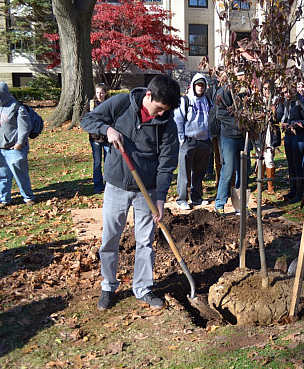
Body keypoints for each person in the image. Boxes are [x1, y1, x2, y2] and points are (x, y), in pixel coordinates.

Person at [81, 75, 180, 310]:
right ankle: (108, 285)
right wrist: (108, 130)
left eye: (165, 111)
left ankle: (143, 288)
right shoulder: (122, 104)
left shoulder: (167, 124)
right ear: (148, 95)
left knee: (145, 241)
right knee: (110, 238)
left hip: (147, 189)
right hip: (116, 184)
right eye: (158, 108)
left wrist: (160, 198)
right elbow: (87, 120)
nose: (160, 114)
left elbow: (167, 163)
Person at [0, 81, 35, 208]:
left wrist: (20, 143)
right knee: (1, 175)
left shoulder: (17, 107)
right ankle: (5, 199)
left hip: (14, 149)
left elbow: (25, 127)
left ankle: (28, 197)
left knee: (21, 175)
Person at [174, 74, 212, 209]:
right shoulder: (185, 100)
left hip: (204, 141)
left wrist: (210, 137)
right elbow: (178, 119)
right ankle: (181, 199)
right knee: (184, 172)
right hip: (188, 141)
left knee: (199, 172)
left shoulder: (208, 101)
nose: (200, 88)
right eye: (198, 85)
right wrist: (181, 138)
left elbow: (211, 119)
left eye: (202, 85)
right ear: (193, 85)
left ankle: (196, 196)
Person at [214, 70, 249, 215]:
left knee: (244, 171)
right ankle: (220, 204)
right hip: (228, 137)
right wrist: (239, 124)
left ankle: (241, 204)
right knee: (228, 171)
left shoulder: (247, 92)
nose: (243, 77)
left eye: (244, 74)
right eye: (240, 75)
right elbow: (220, 114)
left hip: (243, 137)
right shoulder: (224, 92)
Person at [278, 81, 304, 203]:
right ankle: (293, 189)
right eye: (284, 92)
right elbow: (282, 117)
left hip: (298, 136)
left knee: (297, 165)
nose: (286, 94)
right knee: (290, 164)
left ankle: (300, 193)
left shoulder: (299, 102)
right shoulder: (284, 103)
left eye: (288, 92)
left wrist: (295, 124)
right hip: (288, 135)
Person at [81, 83, 110, 193]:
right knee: (97, 163)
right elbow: (83, 119)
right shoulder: (91, 104)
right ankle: (98, 187)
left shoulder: (109, 103)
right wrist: (92, 129)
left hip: (108, 138)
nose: (99, 95)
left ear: (106, 93)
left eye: (101, 93)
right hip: (95, 138)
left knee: (108, 163)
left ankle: (108, 186)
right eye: (97, 92)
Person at [261, 80, 282, 195]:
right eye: (265, 88)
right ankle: (261, 184)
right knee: (260, 159)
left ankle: (270, 185)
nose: (267, 91)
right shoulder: (258, 101)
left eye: (269, 89)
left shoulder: (277, 101)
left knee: (269, 159)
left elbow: (278, 116)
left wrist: (271, 113)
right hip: (260, 134)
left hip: (271, 134)